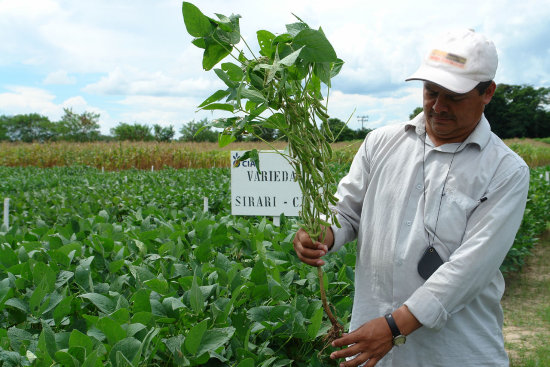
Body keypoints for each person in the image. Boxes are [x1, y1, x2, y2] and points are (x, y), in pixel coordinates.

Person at [293, 28, 530, 367]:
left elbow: (468, 271)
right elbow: (346, 211)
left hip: (456, 354)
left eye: (454, 97)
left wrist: (392, 327)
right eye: (431, 92)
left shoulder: (505, 171)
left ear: (487, 92)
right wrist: (323, 234)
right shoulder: (381, 142)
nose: (439, 106)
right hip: (373, 351)